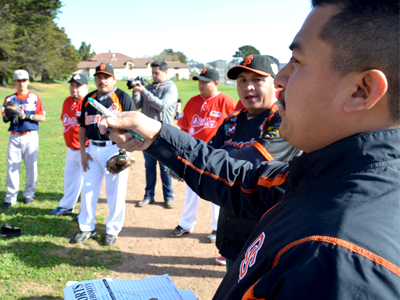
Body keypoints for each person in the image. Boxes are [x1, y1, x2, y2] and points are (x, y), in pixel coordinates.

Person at [100, 0, 400, 298]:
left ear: (361, 91)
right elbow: (241, 177)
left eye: (297, 62)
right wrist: (156, 135)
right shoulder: (325, 177)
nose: (282, 78)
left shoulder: (335, 260)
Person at [209, 55, 302, 269]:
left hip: (270, 230)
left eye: (257, 80)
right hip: (233, 227)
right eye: (242, 80)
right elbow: (209, 156)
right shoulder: (232, 120)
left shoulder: (283, 117)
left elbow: (257, 159)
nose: (248, 87)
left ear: (274, 82)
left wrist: (215, 156)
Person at [171, 68, 237, 242]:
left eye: (204, 81)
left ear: (215, 83)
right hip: (193, 153)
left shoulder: (227, 103)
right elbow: (183, 129)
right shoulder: (192, 102)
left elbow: (236, 131)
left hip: (217, 154)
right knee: (191, 190)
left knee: (215, 190)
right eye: (199, 81)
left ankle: (217, 227)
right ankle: (186, 224)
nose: (200, 85)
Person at [76, 63, 134, 246]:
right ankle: (86, 227)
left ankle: (112, 229)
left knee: (115, 191)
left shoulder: (123, 98)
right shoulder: (89, 99)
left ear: (114, 79)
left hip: (114, 147)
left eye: (106, 77)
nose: (102, 80)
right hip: (92, 148)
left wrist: (124, 151)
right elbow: (82, 126)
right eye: (99, 77)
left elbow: (132, 127)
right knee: (88, 189)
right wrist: (83, 152)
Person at [132, 60, 178, 209]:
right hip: (146, 135)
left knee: (165, 168)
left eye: (156, 73)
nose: (153, 75)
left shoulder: (170, 87)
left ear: (165, 72)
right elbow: (135, 105)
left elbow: (162, 106)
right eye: (152, 73)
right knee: (149, 167)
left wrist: (143, 92)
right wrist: (135, 90)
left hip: (163, 135)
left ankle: (168, 197)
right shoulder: (148, 87)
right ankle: (148, 196)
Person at [1, 70, 46, 209]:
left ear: (28, 81)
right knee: (12, 167)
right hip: (14, 136)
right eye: (18, 81)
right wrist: (9, 115)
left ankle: (29, 194)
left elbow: (42, 117)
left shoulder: (34, 98)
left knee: (31, 167)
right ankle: (10, 196)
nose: (21, 83)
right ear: (14, 82)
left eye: (24, 80)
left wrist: (25, 116)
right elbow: (4, 118)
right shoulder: (9, 99)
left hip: (30, 135)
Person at [50, 74, 89, 216]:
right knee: (70, 180)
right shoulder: (67, 101)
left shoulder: (89, 103)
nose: (74, 89)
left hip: (86, 149)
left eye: (78, 86)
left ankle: (84, 212)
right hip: (71, 149)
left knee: (88, 183)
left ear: (86, 87)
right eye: (72, 85)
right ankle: (66, 206)